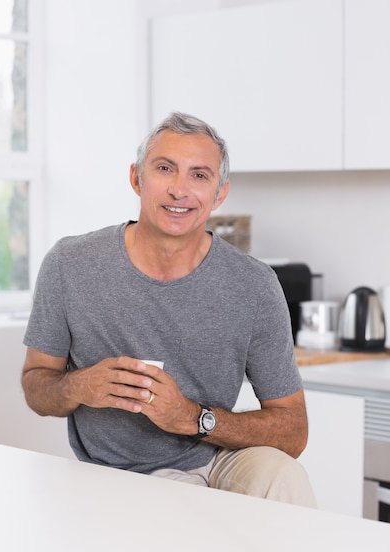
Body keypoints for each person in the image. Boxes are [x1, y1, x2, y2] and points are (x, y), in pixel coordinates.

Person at [22, 111, 316, 507]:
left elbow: (293, 430)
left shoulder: (254, 285)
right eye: (165, 168)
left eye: (199, 175)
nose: (180, 190)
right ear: (136, 178)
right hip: (120, 476)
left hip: (219, 456)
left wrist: (191, 417)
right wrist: (78, 386)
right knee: (187, 510)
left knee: (284, 475)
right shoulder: (70, 265)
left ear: (219, 193)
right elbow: (37, 387)